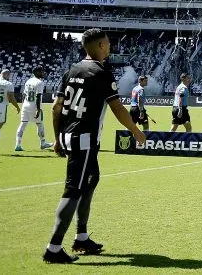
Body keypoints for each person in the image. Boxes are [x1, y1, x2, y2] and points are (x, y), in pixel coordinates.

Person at [43, 28, 147, 264]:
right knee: (73, 190)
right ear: (100, 45)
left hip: (71, 136)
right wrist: (136, 131)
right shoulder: (101, 72)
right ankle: (54, 247)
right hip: (84, 139)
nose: (110, 47)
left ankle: (81, 237)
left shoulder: (71, 70)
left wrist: (58, 138)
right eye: (108, 44)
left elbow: (56, 107)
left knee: (91, 180)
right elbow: (118, 108)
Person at [16, 67, 53, 151]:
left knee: (22, 125)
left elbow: (24, 95)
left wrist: (23, 105)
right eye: (41, 71)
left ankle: (18, 145)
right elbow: (38, 96)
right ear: (37, 72)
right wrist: (38, 109)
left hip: (25, 105)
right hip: (34, 106)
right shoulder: (39, 83)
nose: (43, 73)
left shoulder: (28, 81)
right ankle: (43, 143)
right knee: (40, 124)